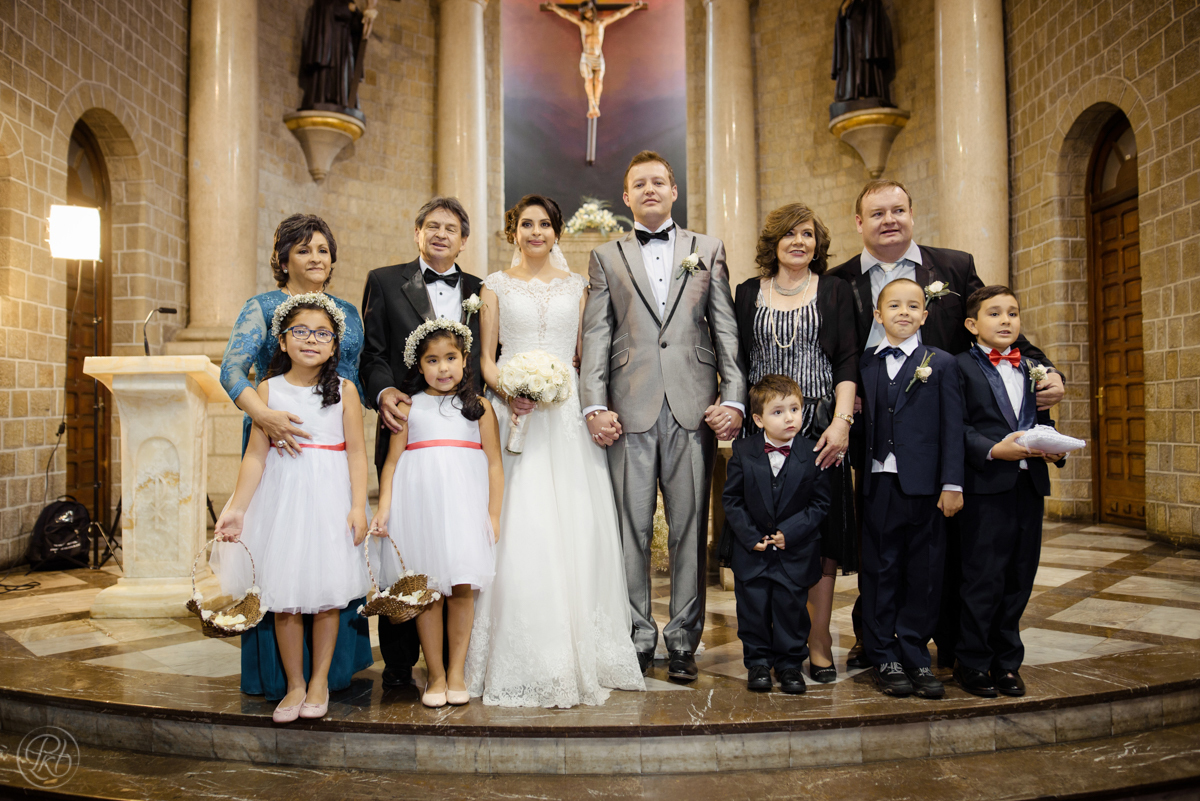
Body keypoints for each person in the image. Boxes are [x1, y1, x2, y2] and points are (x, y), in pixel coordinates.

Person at [829, 179, 1065, 670]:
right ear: (859, 222)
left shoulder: (953, 266)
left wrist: (1045, 369)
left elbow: (993, 322)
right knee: (881, 547)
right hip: (875, 436)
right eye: (876, 213)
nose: (888, 219)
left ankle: (952, 640)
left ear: (912, 213)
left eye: (898, 210)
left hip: (947, 429)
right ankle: (874, 638)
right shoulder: (840, 280)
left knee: (944, 547)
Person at [464, 195, 645, 707]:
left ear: (557, 232)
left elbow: (589, 357)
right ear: (512, 231)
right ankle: (521, 647)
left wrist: (589, 402)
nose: (536, 232)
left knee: (575, 521)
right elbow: (487, 357)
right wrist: (510, 393)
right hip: (515, 412)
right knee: (520, 523)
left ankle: (580, 647)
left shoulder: (580, 288)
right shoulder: (493, 287)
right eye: (527, 224)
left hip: (566, 413)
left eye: (545, 224)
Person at [580, 150, 747, 681]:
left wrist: (735, 398)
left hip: (694, 407)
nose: (650, 190)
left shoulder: (709, 248)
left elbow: (725, 330)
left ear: (674, 191)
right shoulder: (607, 256)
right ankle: (636, 636)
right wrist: (595, 404)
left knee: (688, 528)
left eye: (659, 182)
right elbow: (597, 335)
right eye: (639, 184)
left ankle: (681, 639)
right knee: (628, 528)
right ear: (626, 197)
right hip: (628, 410)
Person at [219, 213, 371, 702]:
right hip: (276, 433)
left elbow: (353, 376)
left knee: (325, 567)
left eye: (324, 249)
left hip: (328, 440)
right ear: (283, 258)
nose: (316, 258)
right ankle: (284, 681)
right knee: (280, 564)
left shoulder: (346, 310)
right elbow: (232, 371)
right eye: (304, 249)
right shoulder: (262, 307)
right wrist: (265, 415)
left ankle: (327, 679)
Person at [359, 197, 484, 691]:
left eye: (450, 228)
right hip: (404, 423)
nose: (440, 234)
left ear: (463, 239)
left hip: (463, 431)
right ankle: (398, 665)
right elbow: (372, 354)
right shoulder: (385, 280)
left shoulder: (480, 289)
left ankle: (455, 667)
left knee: (454, 553)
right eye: (431, 226)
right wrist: (385, 391)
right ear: (417, 233)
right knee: (404, 545)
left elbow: (489, 352)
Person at [733, 203, 858, 684]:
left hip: (820, 424)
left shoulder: (834, 291)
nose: (799, 242)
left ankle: (819, 639)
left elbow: (847, 359)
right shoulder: (748, 293)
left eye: (807, 234)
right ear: (773, 242)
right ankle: (768, 649)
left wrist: (842, 422)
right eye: (789, 234)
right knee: (767, 529)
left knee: (818, 534)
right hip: (763, 427)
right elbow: (738, 360)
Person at [369, 319, 502, 708]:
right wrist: (384, 508)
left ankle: (457, 671)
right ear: (419, 365)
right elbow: (392, 463)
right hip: (420, 512)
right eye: (432, 360)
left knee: (461, 588)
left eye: (450, 358)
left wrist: (493, 515)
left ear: (465, 360)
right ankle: (437, 676)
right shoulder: (410, 408)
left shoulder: (480, 409)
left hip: (464, 510)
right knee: (427, 593)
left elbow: (494, 464)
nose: (442, 368)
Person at [954, 286, 1066, 698]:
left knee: (1020, 576)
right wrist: (991, 448)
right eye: (995, 313)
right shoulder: (960, 367)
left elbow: (1040, 420)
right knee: (982, 576)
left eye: (1013, 313)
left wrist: (1054, 451)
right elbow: (957, 427)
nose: (1006, 320)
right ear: (972, 324)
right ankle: (973, 661)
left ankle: (1007, 662)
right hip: (985, 486)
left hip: (1028, 484)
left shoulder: (1032, 367)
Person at [857, 278, 964, 699]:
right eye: (894, 305)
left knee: (924, 572)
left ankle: (916, 654)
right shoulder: (864, 363)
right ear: (877, 315)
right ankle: (883, 653)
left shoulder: (941, 362)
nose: (904, 312)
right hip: (879, 483)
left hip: (926, 487)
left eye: (913, 306)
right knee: (880, 571)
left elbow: (953, 427)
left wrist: (952, 482)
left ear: (925, 314)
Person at [722, 375, 832, 695]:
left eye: (795, 409)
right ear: (758, 420)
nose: (789, 418)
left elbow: (820, 503)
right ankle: (757, 663)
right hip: (752, 551)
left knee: (791, 611)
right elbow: (732, 499)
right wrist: (749, 534)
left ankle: (789, 665)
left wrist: (791, 532)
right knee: (753, 610)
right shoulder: (743, 451)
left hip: (794, 553)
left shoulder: (813, 453)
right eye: (778, 412)